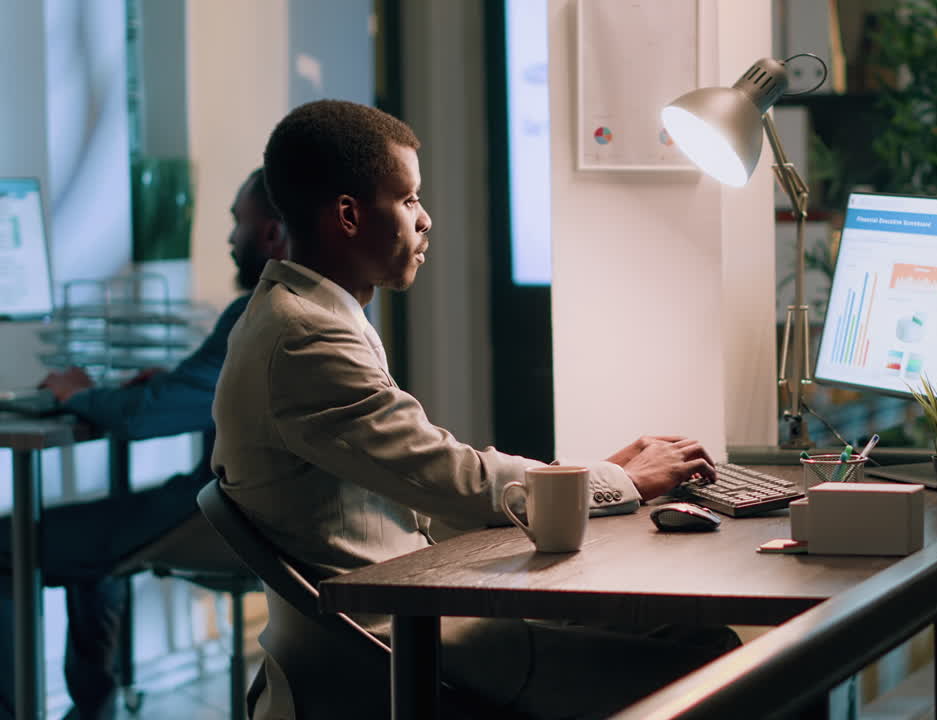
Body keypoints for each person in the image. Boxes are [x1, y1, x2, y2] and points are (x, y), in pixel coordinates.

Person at [211, 99, 739, 719]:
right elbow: (451, 480)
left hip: (406, 613)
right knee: (723, 665)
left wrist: (587, 474)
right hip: (401, 646)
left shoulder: (296, 314)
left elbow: (424, 476)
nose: (425, 218)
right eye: (408, 200)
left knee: (687, 634)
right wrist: (621, 480)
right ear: (349, 216)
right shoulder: (305, 337)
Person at [0, 168, 285, 720]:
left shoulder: (260, 312)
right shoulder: (327, 308)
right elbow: (193, 393)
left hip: (219, 517)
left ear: (272, 235)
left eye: (237, 224)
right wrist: (165, 384)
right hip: (256, 514)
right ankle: (94, 711)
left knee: (11, 544)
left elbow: (146, 418)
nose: (230, 239)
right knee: (92, 547)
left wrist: (80, 394)